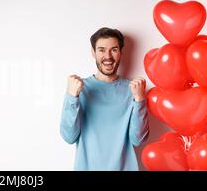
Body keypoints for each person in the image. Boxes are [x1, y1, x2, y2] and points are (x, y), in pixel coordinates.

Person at [60, 27, 149, 171]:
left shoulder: (133, 90)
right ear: (93, 53)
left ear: (121, 52)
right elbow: (69, 137)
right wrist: (72, 97)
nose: (108, 56)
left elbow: (138, 140)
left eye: (113, 49)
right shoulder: (79, 88)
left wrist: (139, 100)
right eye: (101, 50)